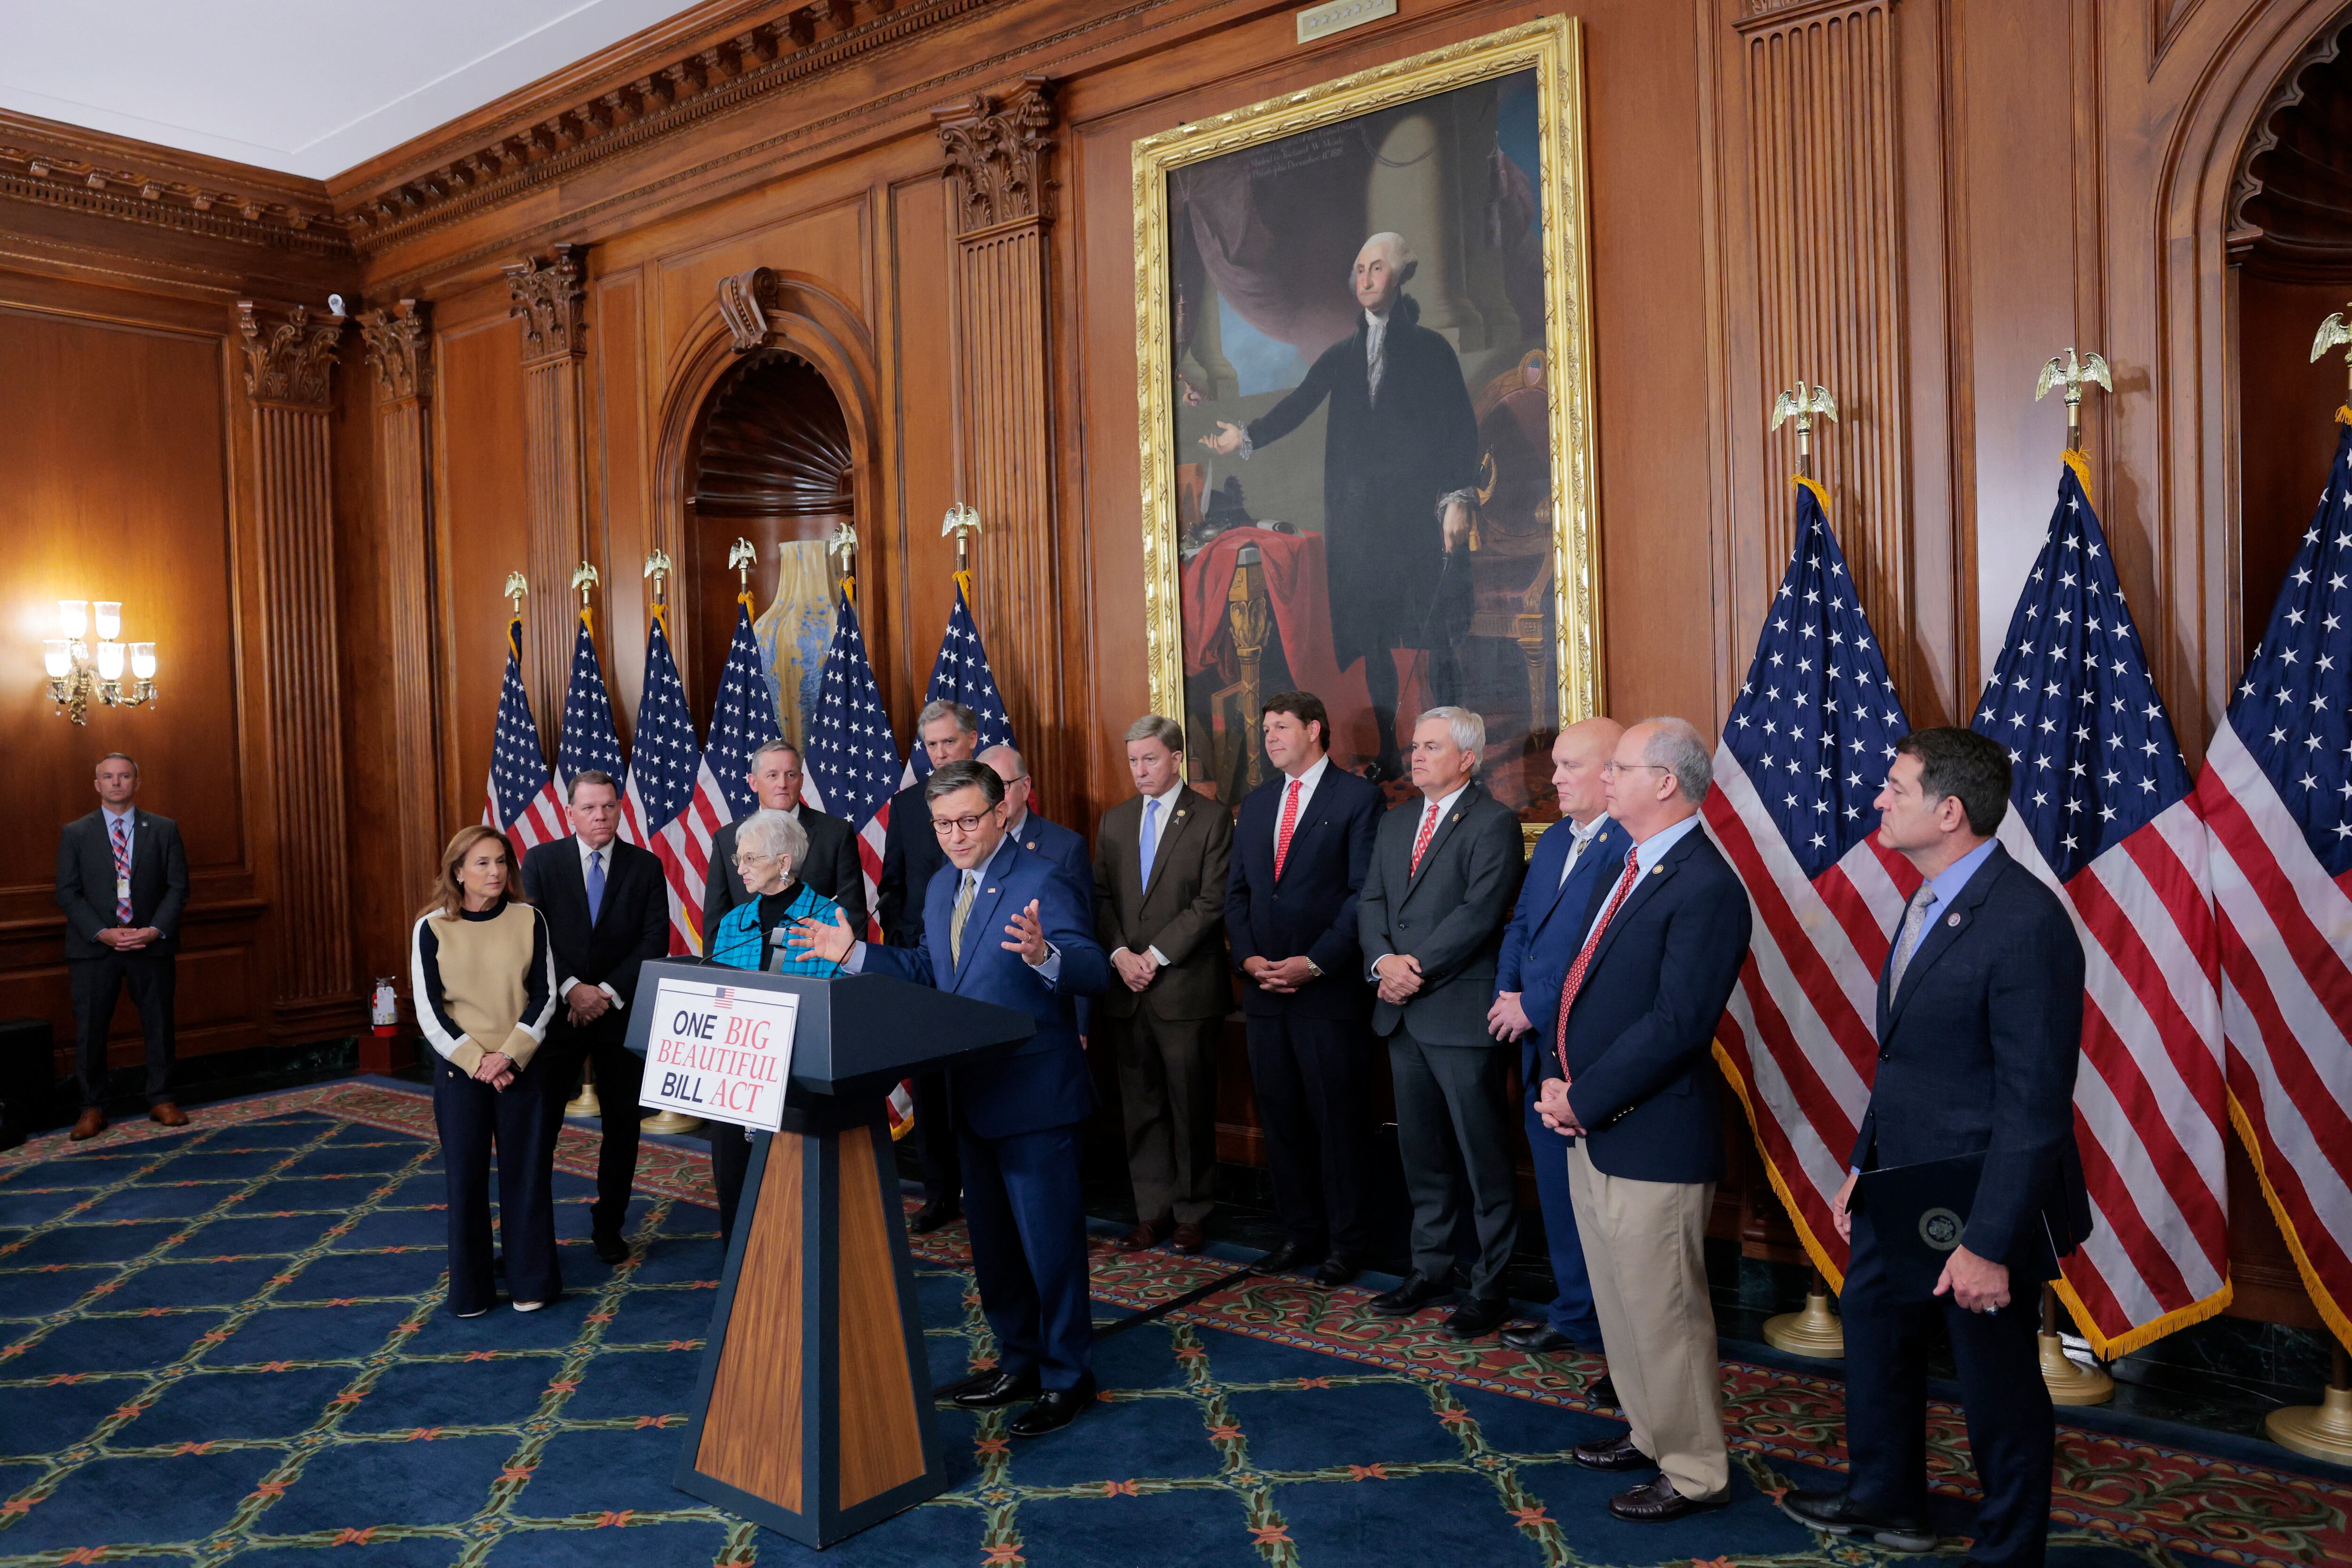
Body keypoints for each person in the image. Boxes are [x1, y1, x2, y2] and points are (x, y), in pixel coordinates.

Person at [1787, 729, 2090, 1568]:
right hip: (1899, 1176)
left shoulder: (2025, 920)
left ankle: (2008, 1547)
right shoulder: (1926, 897)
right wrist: (1861, 1162)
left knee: (1994, 1377)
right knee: (1874, 1325)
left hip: (1981, 1191)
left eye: (1896, 786)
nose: (1879, 799)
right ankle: (1887, 1497)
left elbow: (2033, 1106)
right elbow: (1906, 1060)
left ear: (1949, 810)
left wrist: (1989, 1242)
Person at [794, 760, 1109, 1438]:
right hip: (966, 1093)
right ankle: (1019, 1361)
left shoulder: (1042, 879)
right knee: (994, 1248)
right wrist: (854, 953)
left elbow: (1094, 967)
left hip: (1035, 1097)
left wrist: (1046, 955)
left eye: (969, 819)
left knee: (1049, 1247)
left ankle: (1067, 1377)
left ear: (1000, 813)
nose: (958, 834)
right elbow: (930, 973)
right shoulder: (940, 888)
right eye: (944, 824)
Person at [1534, 718, 1750, 1523]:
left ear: (1666, 782)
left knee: (1666, 1313)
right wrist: (1559, 1078)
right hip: (1592, 1123)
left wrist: (1581, 1096)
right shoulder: (1619, 864)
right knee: (1624, 1303)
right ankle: (1648, 1428)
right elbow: (1576, 981)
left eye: (1621, 766)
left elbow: (1676, 1023)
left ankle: (1694, 1469)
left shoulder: (1705, 883)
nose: (1607, 778)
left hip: (1652, 1132)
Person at [1198, 232, 1479, 776]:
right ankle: (1392, 756)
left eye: (1376, 269)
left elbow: (1457, 430)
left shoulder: (1430, 350)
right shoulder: (1342, 355)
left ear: (1398, 278)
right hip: (1362, 526)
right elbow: (1299, 404)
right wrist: (1245, 436)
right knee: (1374, 636)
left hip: (1417, 518)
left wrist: (1456, 499)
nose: (1365, 279)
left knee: (1436, 633)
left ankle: (1455, 754)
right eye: (1359, 269)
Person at [1356, 707, 1526, 1337]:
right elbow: (1371, 901)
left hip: (1456, 1013)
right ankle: (1430, 1269)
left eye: (1431, 746)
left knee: (1482, 1158)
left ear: (1467, 758)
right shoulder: (1396, 821)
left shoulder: (1494, 822)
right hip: (1400, 1015)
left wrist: (1413, 968)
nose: (1415, 756)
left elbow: (1481, 913)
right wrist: (1381, 963)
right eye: (1415, 745)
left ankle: (1490, 1286)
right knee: (1420, 1153)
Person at [1223, 691, 1383, 1284]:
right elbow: (1237, 893)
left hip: (1326, 992)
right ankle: (1298, 1234)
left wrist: (1314, 962)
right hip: (1264, 991)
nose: (1269, 737)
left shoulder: (1357, 799)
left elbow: (1362, 894)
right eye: (1265, 728)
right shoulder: (1259, 802)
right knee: (1281, 1119)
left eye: (1280, 726)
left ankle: (1348, 1243)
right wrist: (1249, 959)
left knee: (1336, 1123)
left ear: (1315, 729)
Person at [1488, 718, 1624, 1356]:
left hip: (1588, 1050)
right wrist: (1507, 994)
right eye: (1555, 765)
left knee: (1606, 1206)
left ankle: (1613, 1330)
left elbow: (1596, 955)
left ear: (1611, 772)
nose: (1554, 778)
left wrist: (1532, 1006)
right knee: (1558, 1192)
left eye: (1570, 766)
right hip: (1536, 1043)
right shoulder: (1552, 842)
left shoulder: (1630, 846)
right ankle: (1574, 1314)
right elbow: (1521, 924)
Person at [1091, 716, 1233, 1254]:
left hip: (1185, 991)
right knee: (1142, 1108)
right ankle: (1151, 1212)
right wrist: (1119, 954)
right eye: (1132, 761)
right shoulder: (1115, 821)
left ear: (1176, 758)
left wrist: (1151, 955)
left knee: (1190, 1106)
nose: (1139, 770)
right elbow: (1100, 899)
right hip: (1126, 990)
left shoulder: (1212, 819)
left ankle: (1193, 1212)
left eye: (1149, 759)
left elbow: (1211, 902)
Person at [411, 826, 560, 1317]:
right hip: (462, 1075)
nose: (495, 872)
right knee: (466, 1181)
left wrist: (509, 1056)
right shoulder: (431, 927)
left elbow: (545, 996)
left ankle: (530, 1282)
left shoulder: (529, 919)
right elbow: (430, 1012)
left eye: (500, 862)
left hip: (521, 1067)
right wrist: (479, 1062)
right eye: (481, 863)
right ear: (457, 872)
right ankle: (472, 1292)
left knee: (527, 1176)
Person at [521, 770, 669, 1264]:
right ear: (570, 813)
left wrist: (602, 992)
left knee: (622, 1125)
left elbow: (654, 940)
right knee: (540, 1125)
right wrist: (571, 989)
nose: (600, 815)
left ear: (619, 807)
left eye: (608, 806)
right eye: (589, 808)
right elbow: (534, 936)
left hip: (618, 1013)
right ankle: (530, 1234)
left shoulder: (645, 866)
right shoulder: (541, 862)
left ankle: (610, 1225)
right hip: (557, 1012)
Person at [703, 808, 850, 1244]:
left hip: (800, 1081)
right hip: (738, 1080)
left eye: (751, 859)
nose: (740, 868)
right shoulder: (734, 923)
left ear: (783, 862)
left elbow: (837, 1002)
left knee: (795, 1197)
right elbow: (719, 994)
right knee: (736, 1186)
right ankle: (740, 1281)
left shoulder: (828, 921)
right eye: (738, 859)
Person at [879, 698, 982, 1233]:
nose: (940, 754)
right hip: (923, 970)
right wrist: (906, 945)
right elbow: (891, 886)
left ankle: (986, 1188)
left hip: (984, 964)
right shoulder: (905, 807)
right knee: (933, 1087)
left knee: (980, 1081)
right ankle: (941, 1193)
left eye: (949, 742)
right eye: (932, 745)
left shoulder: (992, 798)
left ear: (972, 740)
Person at [56, 753, 190, 1140]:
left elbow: (178, 887)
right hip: (95, 948)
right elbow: (67, 892)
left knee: (160, 1023)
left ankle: (162, 1098)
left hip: (150, 945)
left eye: (124, 776)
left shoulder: (163, 829)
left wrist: (153, 930)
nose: (117, 783)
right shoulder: (76, 833)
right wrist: (102, 932)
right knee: (91, 1030)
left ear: (137, 781)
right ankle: (92, 1107)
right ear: (97, 784)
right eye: (108, 777)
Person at [701, 738, 869, 940]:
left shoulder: (836, 833)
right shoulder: (726, 838)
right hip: (745, 962)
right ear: (753, 783)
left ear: (801, 780)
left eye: (791, 775)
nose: (782, 784)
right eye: (772, 775)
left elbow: (853, 914)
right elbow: (716, 922)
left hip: (816, 961)